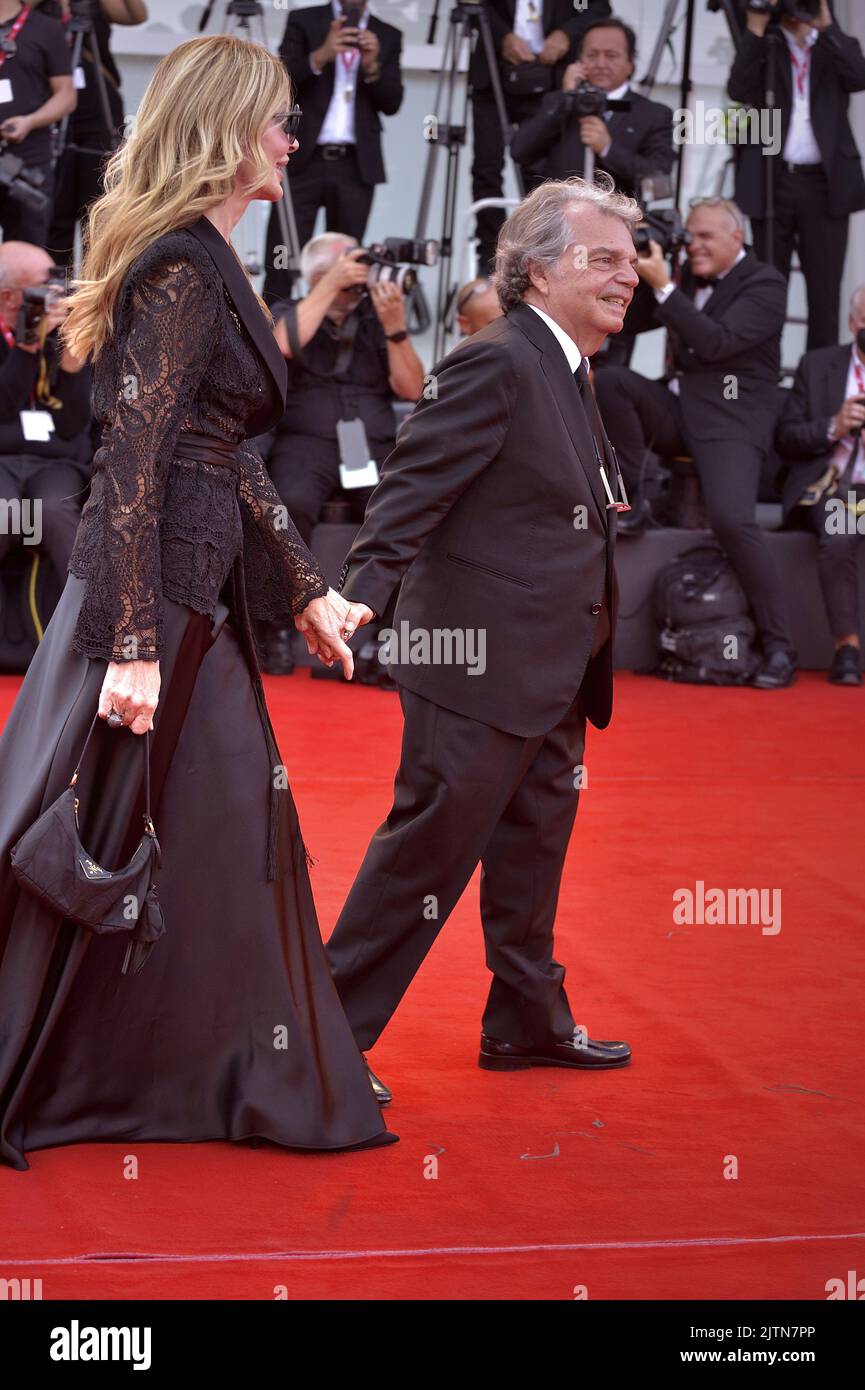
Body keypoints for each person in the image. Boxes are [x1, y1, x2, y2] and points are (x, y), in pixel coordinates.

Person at [0, 34, 397, 1172]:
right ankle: (231, 1069)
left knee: (213, 838)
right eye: (275, 122)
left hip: (185, 596)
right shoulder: (180, 268)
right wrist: (131, 643)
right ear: (228, 133)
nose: (290, 141)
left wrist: (307, 585)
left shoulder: (204, 260)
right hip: (154, 606)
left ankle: (224, 1065)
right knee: (143, 836)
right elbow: (129, 455)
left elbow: (220, 450)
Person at [326, 177, 638, 1104]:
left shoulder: (569, 367)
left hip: (552, 659)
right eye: (606, 259)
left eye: (631, 259)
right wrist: (355, 601)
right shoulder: (497, 359)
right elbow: (411, 489)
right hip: (472, 657)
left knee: (532, 846)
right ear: (540, 270)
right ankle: (326, 1042)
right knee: (426, 853)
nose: (630, 276)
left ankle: (523, 1020)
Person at [595, 197, 798, 690]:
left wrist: (665, 285)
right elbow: (635, 321)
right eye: (691, 235)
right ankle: (635, 500)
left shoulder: (766, 284)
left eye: (706, 236)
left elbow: (714, 343)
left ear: (737, 237)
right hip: (682, 409)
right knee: (614, 382)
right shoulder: (683, 275)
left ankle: (780, 647)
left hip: (733, 420)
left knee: (733, 521)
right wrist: (629, 273)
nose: (694, 245)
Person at [257, 230, 424, 676]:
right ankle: (273, 627)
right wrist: (329, 286)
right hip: (305, 442)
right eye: (347, 271)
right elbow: (280, 348)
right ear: (317, 276)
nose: (358, 280)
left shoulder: (376, 317)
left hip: (369, 446)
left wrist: (395, 327)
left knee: (397, 511)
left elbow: (412, 389)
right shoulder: (290, 312)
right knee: (288, 505)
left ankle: (386, 637)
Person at [511, 15, 674, 366]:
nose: (600, 63)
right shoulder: (560, 104)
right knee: (550, 349)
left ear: (631, 63)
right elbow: (520, 151)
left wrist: (610, 148)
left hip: (618, 254)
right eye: (592, 55)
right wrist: (564, 100)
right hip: (562, 250)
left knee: (611, 360)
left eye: (611, 55)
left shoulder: (654, 114)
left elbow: (660, 179)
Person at [727, 0, 865, 351]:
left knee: (825, 291)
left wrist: (825, 25)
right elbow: (739, 89)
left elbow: (858, 75)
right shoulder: (766, 44)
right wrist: (756, 27)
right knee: (768, 287)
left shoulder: (833, 45)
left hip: (825, 185)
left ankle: (817, 388)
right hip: (774, 182)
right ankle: (764, 377)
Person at [262, 0, 403, 305]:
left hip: (355, 163)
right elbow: (281, 80)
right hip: (302, 159)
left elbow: (392, 102)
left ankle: (336, 340)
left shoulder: (387, 34)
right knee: (282, 255)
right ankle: (270, 331)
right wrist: (322, 54)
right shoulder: (305, 20)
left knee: (345, 259)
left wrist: (372, 66)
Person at [470, 0, 611, 276]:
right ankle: (490, 259)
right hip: (495, 72)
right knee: (486, 167)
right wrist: (503, 36)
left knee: (540, 171)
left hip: (549, 76)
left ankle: (540, 253)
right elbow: (474, 6)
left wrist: (566, 34)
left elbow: (599, 7)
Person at [775, 284, 865, 686]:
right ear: (852, 321)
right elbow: (787, 437)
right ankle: (847, 646)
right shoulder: (817, 365)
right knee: (841, 533)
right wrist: (835, 426)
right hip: (833, 488)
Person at [0, 239, 92, 591]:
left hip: (57, 463)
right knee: (5, 515)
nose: (54, 296)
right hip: (4, 460)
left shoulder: (66, 332)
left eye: (56, 285)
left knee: (53, 512)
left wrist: (71, 368)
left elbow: (72, 428)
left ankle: (91, 628)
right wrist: (26, 346)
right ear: (9, 297)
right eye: (42, 287)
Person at [47, 0, 149, 271]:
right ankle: (55, 295)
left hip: (98, 106)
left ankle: (96, 287)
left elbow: (136, 15)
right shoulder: (39, 8)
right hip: (49, 108)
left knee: (99, 204)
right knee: (55, 212)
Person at [0, 0, 76, 246]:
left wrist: (30, 122)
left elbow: (66, 95)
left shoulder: (45, 28)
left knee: (27, 247)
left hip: (27, 158)